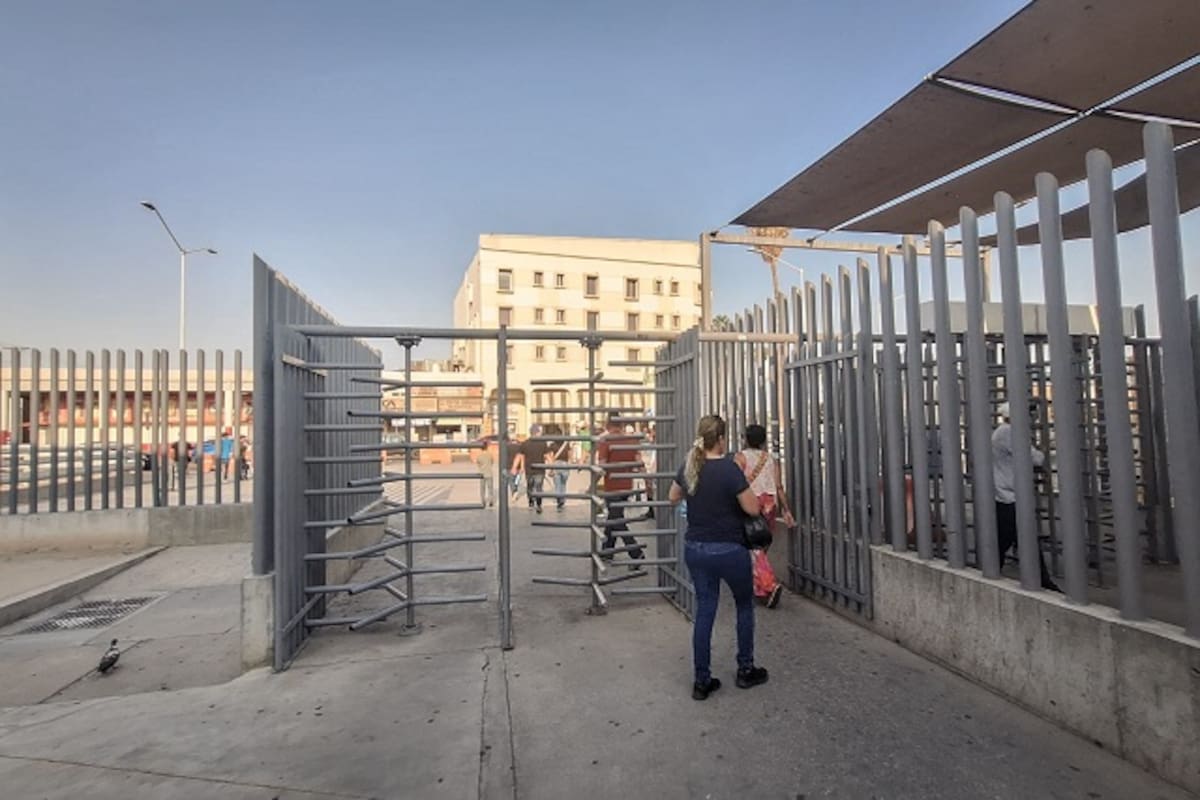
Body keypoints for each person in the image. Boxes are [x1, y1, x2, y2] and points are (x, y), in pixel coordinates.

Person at [669, 414, 768, 700]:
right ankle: (745, 669)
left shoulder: (690, 466)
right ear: (722, 439)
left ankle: (702, 681)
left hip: (696, 549)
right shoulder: (729, 470)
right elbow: (751, 509)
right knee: (744, 605)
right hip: (729, 549)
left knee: (705, 612)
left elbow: (672, 496)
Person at [992, 402, 1061, 592]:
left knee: (1007, 541)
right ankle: (1042, 580)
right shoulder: (1008, 433)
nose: (1032, 418)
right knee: (1024, 540)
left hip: (1006, 496)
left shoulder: (1002, 432)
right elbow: (1035, 457)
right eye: (1029, 414)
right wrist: (1042, 450)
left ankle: (991, 574)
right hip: (1009, 497)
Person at [732, 424, 794, 609]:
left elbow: (735, 482)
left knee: (753, 547)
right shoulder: (771, 459)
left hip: (750, 503)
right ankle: (758, 588)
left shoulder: (740, 457)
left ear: (745, 438)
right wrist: (786, 509)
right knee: (760, 546)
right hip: (769, 504)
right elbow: (779, 486)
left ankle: (769, 584)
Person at [596, 412, 645, 564]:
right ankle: (607, 551)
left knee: (616, 520)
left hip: (612, 487)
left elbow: (602, 466)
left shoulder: (605, 441)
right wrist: (647, 481)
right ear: (622, 424)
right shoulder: (631, 440)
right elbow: (639, 463)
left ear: (607, 424)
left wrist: (592, 485)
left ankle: (636, 552)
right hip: (627, 487)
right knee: (614, 517)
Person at [512, 425, 549, 513]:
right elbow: (547, 456)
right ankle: (539, 505)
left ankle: (531, 502)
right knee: (539, 487)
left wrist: (514, 467)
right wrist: (552, 468)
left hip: (529, 469)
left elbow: (519, 456)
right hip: (540, 469)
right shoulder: (543, 443)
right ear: (537, 433)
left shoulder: (525, 443)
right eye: (539, 432)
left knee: (530, 486)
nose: (540, 434)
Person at [546, 438, 571, 511]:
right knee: (563, 484)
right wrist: (569, 464)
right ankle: (562, 500)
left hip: (556, 464)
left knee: (557, 485)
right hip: (565, 464)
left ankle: (559, 501)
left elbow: (551, 456)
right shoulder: (566, 444)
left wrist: (551, 467)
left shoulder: (552, 445)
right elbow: (570, 454)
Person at [476, 439, 496, 508]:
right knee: (490, 488)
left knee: (482, 489)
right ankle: (491, 501)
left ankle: (483, 501)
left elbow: (478, 463)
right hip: (489, 473)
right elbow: (492, 462)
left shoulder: (479, 455)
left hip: (482, 473)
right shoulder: (489, 454)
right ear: (487, 447)